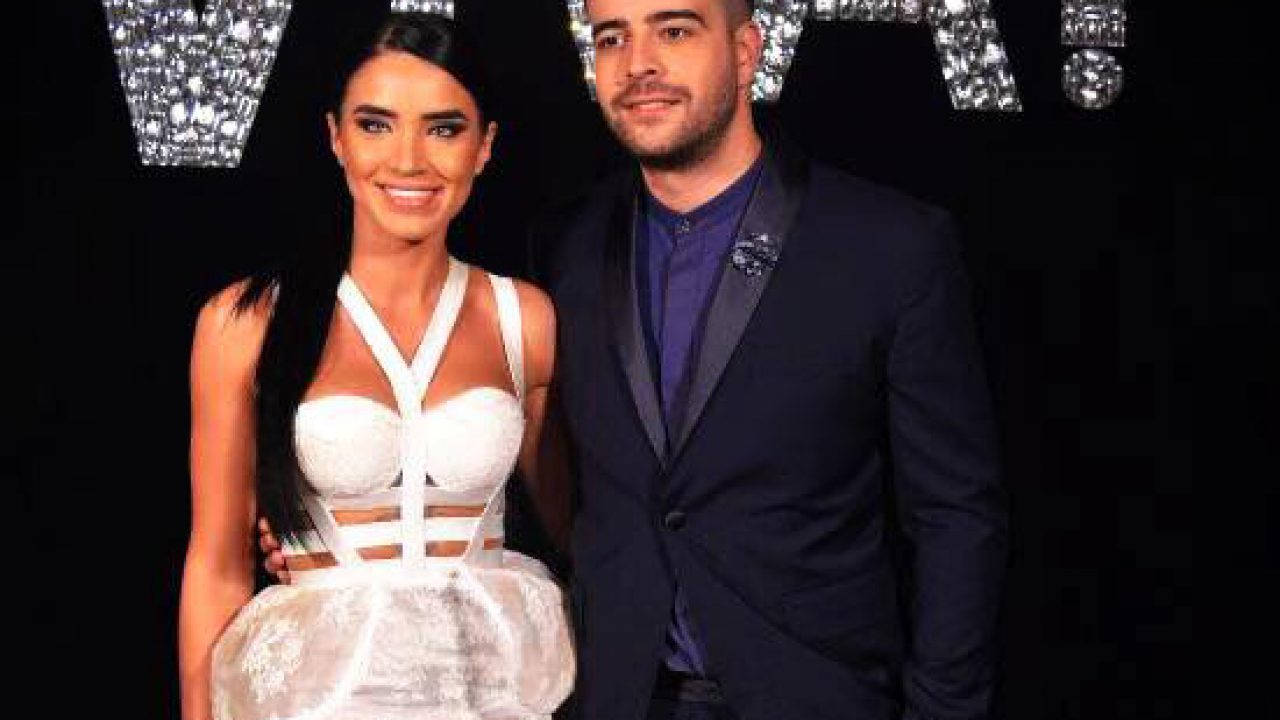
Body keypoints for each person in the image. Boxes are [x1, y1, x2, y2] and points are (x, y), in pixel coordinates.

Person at [262, 0, 1006, 718]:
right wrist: (335, 526)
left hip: (815, 694)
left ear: (746, 50)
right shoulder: (566, 246)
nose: (638, 63)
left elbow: (956, 516)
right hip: (612, 693)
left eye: (674, 31)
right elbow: (544, 482)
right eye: (612, 37)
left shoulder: (888, 247)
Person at [180, 13, 573, 720]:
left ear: (484, 146)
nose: (408, 160)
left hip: (487, 699)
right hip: (316, 701)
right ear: (336, 137)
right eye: (376, 125)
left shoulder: (526, 321)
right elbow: (214, 567)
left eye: (444, 129)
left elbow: (588, 529)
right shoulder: (244, 323)